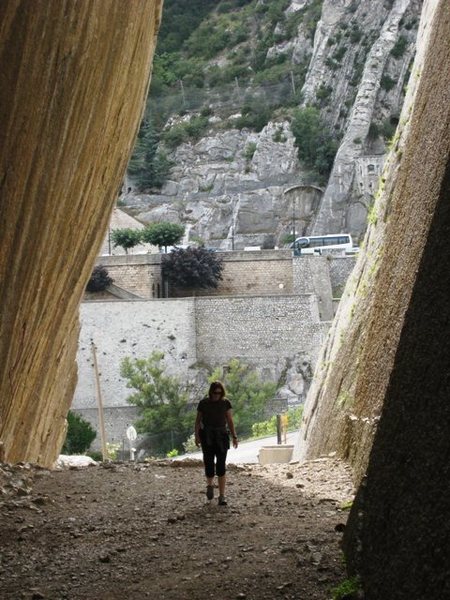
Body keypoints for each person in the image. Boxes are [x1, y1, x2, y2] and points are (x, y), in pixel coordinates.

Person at [195, 381, 238, 505]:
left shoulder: (226, 403)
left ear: (222, 393)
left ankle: (222, 496)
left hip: (221, 436)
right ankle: (209, 485)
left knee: (221, 465)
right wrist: (197, 436)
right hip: (207, 436)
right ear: (211, 392)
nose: (216, 395)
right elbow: (197, 421)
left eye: (219, 393)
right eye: (215, 393)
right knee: (208, 463)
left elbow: (230, 420)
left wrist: (234, 436)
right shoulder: (203, 403)